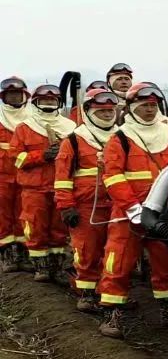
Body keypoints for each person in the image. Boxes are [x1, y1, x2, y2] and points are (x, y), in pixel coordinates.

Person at [97, 83, 168, 338]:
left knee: (166, 263)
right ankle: (112, 317)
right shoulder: (120, 138)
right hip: (127, 214)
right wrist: (133, 207)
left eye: (153, 105)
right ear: (133, 107)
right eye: (144, 105)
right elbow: (113, 176)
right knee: (119, 263)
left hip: (161, 213)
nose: (149, 110)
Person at [54, 88, 119, 311]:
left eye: (110, 111)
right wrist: (66, 206)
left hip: (118, 206)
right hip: (85, 208)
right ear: (89, 112)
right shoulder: (73, 140)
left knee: (115, 254)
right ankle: (87, 294)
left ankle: (111, 293)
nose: (107, 114)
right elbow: (62, 179)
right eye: (101, 111)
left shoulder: (123, 138)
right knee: (87, 252)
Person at [12, 84, 76, 282]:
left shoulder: (70, 128)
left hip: (61, 186)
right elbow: (17, 158)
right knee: (36, 226)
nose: (48, 103)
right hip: (34, 188)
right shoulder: (25, 128)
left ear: (58, 103)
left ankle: (56, 267)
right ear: (36, 103)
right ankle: (41, 267)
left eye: (52, 100)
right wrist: (43, 155)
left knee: (59, 229)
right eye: (44, 100)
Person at [0, 77, 30, 273]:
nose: (14, 97)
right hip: (1, 176)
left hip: (26, 175)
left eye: (17, 93)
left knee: (24, 214)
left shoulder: (32, 119)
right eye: (10, 94)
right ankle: (7, 255)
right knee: (3, 216)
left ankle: (23, 252)